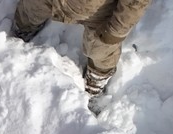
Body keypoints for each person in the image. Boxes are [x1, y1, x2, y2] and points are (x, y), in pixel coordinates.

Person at [11, 0, 152, 96]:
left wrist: (115, 31)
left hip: (100, 13)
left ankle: (97, 76)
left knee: (101, 50)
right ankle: (22, 29)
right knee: (30, 12)